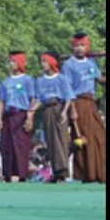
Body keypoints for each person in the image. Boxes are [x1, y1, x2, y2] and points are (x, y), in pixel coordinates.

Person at [63, 33, 107, 184]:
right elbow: (68, 89)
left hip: (91, 103)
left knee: (99, 137)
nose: (79, 49)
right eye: (76, 46)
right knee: (82, 140)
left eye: (82, 45)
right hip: (78, 103)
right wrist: (72, 110)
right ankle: (86, 175)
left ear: (87, 46)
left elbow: (100, 80)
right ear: (72, 47)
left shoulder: (91, 62)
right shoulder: (69, 65)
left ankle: (100, 172)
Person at [0, 52, 38, 183]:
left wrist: (30, 117)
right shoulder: (6, 82)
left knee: (21, 145)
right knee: (6, 145)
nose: (10, 64)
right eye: (9, 61)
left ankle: (21, 174)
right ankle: (8, 174)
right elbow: (2, 101)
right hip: (8, 115)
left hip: (21, 114)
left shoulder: (28, 80)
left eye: (13, 61)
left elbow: (33, 99)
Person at [36, 52, 76, 183]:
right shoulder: (40, 80)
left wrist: (65, 112)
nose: (43, 64)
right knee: (50, 140)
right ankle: (55, 171)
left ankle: (63, 172)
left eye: (45, 61)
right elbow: (39, 99)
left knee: (61, 140)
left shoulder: (61, 79)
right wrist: (31, 111)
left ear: (52, 63)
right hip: (47, 110)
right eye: (42, 62)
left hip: (59, 108)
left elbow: (69, 97)